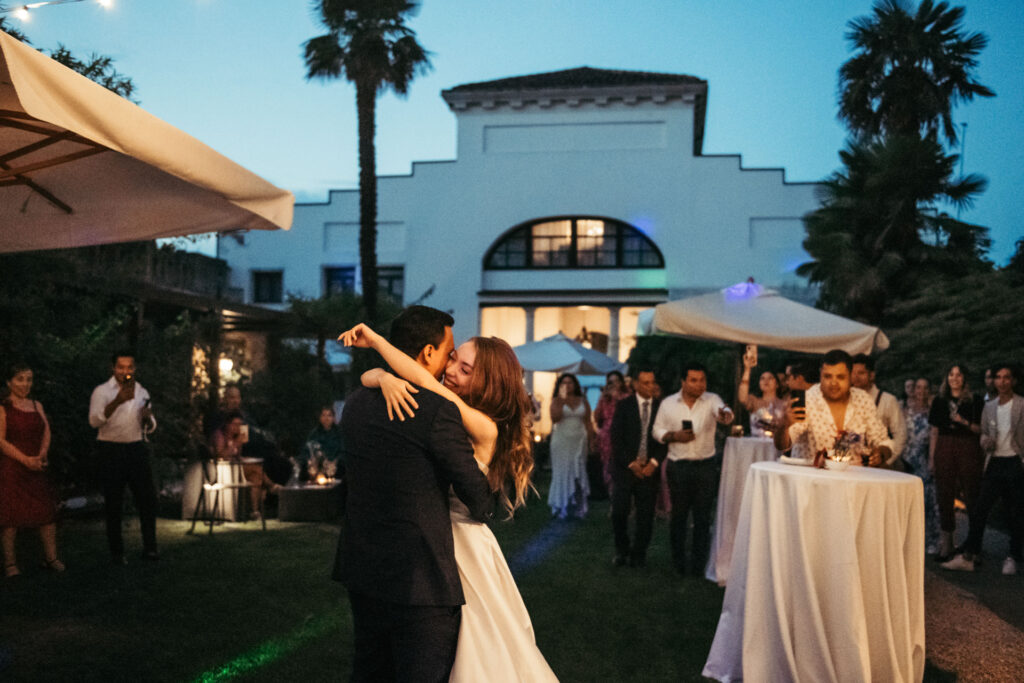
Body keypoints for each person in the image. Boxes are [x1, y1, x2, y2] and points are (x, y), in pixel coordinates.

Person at [339, 309, 558, 682]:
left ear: (487, 383)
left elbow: (424, 380)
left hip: (460, 546)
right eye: (453, 358)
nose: (451, 370)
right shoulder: (442, 410)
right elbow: (423, 378)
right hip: (430, 546)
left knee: (476, 650)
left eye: (466, 369)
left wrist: (376, 355)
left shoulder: (481, 425)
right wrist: (378, 376)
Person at [652, 361, 734, 576]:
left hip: (705, 467)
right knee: (678, 516)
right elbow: (656, 430)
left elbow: (723, 410)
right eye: (694, 380)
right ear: (683, 382)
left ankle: (698, 566)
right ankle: (679, 564)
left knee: (702, 518)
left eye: (703, 380)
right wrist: (673, 436)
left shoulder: (711, 400)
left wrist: (726, 414)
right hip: (678, 467)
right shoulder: (669, 403)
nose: (700, 385)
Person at [942, 364, 1024, 575]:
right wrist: (986, 441)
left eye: (1007, 377)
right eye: (999, 377)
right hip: (995, 462)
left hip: (1015, 461)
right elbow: (984, 434)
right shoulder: (989, 407)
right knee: (979, 510)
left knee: (1015, 512)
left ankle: (1013, 557)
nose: (1002, 381)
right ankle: (969, 555)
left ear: (1013, 380)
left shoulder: (1021, 405)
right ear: (994, 381)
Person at [88, 351, 159, 564]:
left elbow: (150, 425)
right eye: (121, 367)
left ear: (134, 369)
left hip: (136, 449)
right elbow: (94, 422)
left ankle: (150, 548)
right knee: (114, 503)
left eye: (129, 367)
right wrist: (117, 401)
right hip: (111, 450)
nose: (125, 372)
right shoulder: (101, 391)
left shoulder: (142, 391)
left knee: (146, 501)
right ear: (113, 368)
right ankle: (117, 553)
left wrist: (148, 419)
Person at [774, 350, 893, 468]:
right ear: (820, 375)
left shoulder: (863, 400)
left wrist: (881, 454)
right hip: (811, 477)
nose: (833, 383)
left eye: (840, 377)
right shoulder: (808, 400)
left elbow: (882, 440)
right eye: (827, 376)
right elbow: (782, 445)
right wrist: (784, 425)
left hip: (852, 478)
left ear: (850, 377)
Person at [0, 363, 63, 577]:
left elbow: (46, 430)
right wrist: (25, 460)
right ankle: (10, 563)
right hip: (13, 465)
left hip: (36, 463)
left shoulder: (36, 405)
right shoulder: (3, 407)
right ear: (9, 382)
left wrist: (42, 454)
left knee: (46, 511)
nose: (25, 384)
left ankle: (51, 558)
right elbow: (1, 440)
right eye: (20, 379)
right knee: (11, 516)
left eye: (28, 379)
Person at [609, 368, 665, 568]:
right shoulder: (624, 406)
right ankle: (622, 550)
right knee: (619, 512)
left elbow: (663, 441)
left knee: (646, 516)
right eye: (645, 383)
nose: (650, 386)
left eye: (652, 382)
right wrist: (631, 463)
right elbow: (616, 437)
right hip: (625, 468)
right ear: (635, 384)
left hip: (649, 469)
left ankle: (639, 554)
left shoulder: (661, 408)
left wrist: (653, 463)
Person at [928, 363, 983, 562]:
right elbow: (934, 430)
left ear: (964, 378)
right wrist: (932, 457)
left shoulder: (975, 401)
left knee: (971, 495)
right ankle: (947, 544)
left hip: (967, 445)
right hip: (944, 444)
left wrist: (963, 421)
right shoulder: (939, 401)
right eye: (951, 374)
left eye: (959, 375)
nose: (954, 378)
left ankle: (974, 546)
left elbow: (980, 430)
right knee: (944, 494)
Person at [210, 411, 279, 519]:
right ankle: (271, 486)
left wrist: (240, 442)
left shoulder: (238, 435)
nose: (238, 427)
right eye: (236, 424)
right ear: (228, 424)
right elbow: (221, 455)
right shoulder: (220, 435)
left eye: (240, 425)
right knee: (256, 469)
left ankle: (255, 512)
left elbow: (238, 454)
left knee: (255, 477)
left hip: (236, 468)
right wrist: (235, 443)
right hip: (223, 469)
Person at [548, 373, 594, 519]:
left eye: (570, 383)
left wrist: (592, 440)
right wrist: (561, 400)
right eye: (564, 383)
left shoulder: (583, 400)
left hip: (579, 441)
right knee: (562, 471)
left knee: (579, 472)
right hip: (561, 441)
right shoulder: (556, 401)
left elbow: (588, 422)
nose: (568, 386)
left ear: (575, 385)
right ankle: (561, 506)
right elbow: (555, 419)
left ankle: (580, 506)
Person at [851, 354, 908, 468]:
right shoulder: (847, 399)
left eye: (861, 373)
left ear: (872, 375)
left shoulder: (888, 400)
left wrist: (886, 460)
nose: (855, 377)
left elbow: (900, 435)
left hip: (881, 464)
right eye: (853, 373)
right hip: (853, 465)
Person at [903, 378, 940, 553]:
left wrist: (932, 458)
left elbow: (934, 435)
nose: (921, 391)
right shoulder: (905, 410)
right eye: (918, 387)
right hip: (907, 457)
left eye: (925, 388)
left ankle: (929, 540)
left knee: (925, 499)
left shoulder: (932, 411)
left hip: (923, 457)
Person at [594, 370, 631, 499]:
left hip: (623, 434)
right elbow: (597, 416)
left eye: (616, 381)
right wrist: (603, 396)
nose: (614, 384)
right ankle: (612, 499)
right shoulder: (605, 398)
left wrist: (616, 397)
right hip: (607, 437)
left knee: (621, 466)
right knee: (608, 469)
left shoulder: (627, 397)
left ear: (621, 383)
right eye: (611, 382)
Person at [737, 350, 786, 437]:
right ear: (759, 383)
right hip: (756, 448)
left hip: (776, 448)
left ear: (777, 384)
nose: (766, 381)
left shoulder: (784, 404)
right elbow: (742, 398)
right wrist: (747, 369)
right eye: (762, 378)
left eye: (770, 378)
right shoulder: (754, 401)